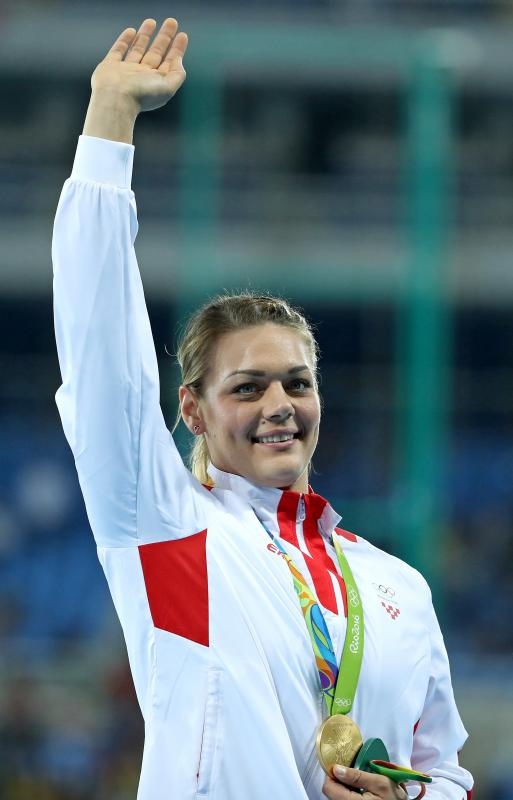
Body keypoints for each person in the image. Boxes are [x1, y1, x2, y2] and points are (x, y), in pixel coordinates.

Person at [52, 18, 474, 800]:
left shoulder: (397, 587)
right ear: (194, 410)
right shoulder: (168, 527)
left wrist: (407, 796)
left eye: (296, 382)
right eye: (246, 388)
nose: (279, 405)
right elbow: (98, 354)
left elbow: (446, 771)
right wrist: (109, 124)